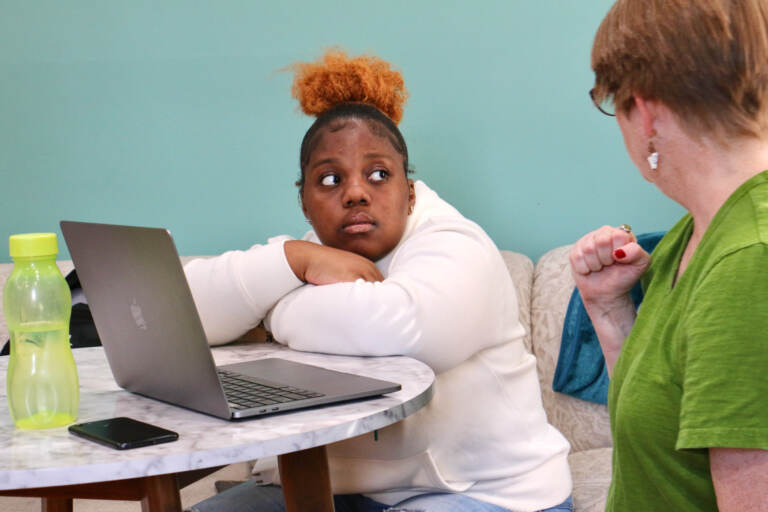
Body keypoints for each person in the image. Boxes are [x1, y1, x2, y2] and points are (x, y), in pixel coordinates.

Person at [186, 50, 572, 512]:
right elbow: (184, 315)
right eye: (329, 179)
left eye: (378, 174)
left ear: (409, 193)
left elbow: (408, 329)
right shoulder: (304, 256)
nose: (354, 192)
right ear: (304, 202)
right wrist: (290, 258)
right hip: (340, 488)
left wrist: (274, 311)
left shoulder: (458, 244)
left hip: (483, 493)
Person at [570, 1, 768, 510]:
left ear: (649, 112)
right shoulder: (697, 231)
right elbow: (663, 436)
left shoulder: (750, 261)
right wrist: (610, 311)